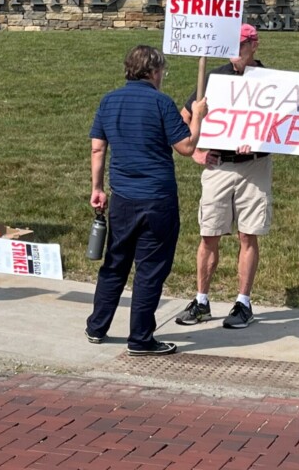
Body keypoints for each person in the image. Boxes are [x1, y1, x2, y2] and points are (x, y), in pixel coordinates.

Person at [85, 45, 206, 356]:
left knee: (115, 263)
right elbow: (187, 148)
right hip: (158, 199)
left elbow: (98, 149)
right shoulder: (162, 103)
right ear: (153, 72)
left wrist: (97, 188)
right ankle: (140, 338)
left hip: (122, 197)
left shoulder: (109, 101)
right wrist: (198, 117)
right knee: (150, 269)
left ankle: (97, 326)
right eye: (162, 71)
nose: (163, 76)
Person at [175, 23, 271, 331]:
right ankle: (202, 300)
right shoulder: (215, 77)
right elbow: (186, 115)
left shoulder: (270, 80)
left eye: (241, 45)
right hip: (218, 165)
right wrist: (197, 153)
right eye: (231, 46)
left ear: (254, 45)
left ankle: (243, 302)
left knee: (248, 233)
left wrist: (260, 140)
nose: (236, 52)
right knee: (209, 233)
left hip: (254, 165)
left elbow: (282, 124)